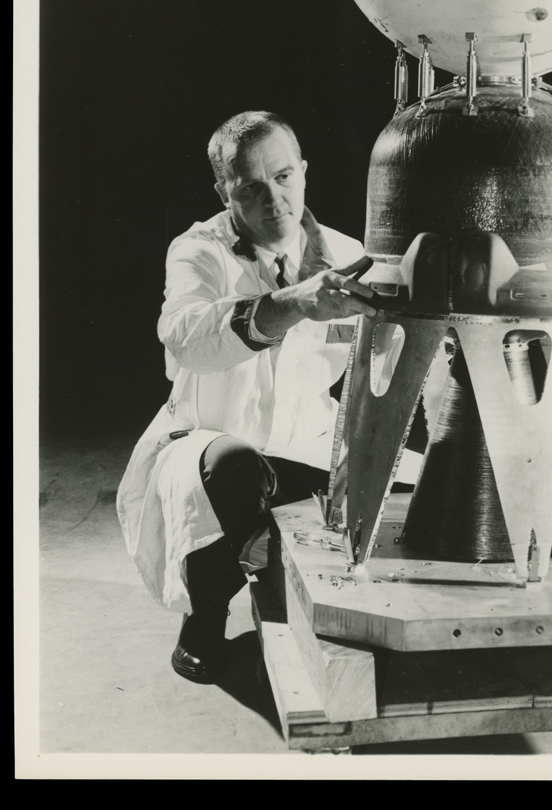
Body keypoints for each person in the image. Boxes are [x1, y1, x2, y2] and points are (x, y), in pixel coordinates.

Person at [117, 110, 386, 684]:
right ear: (224, 191)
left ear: (305, 172)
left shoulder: (345, 254)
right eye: (252, 188)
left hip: (308, 450)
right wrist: (296, 303)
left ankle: (309, 602)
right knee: (236, 471)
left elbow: (386, 362)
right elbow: (184, 335)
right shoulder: (198, 250)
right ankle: (206, 616)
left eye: (285, 177)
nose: (275, 200)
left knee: (408, 484)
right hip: (212, 446)